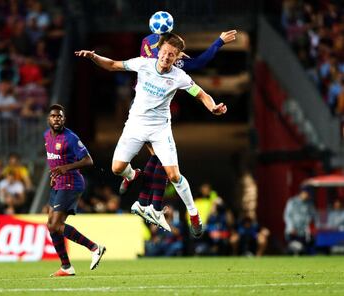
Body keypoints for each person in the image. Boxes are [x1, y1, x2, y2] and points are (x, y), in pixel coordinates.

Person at [75, 33, 227, 238]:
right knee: (117, 168)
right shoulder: (143, 64)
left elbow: (201, 94)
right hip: (135, 126)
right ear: (159, 51)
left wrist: (213, 107)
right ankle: (133, 175)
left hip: (160, 130)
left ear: (177, 57)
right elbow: (112, 65)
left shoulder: (179, 77)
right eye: (164, 52)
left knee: (173, 175)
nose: (166, 57)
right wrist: (94, 57)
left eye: (172, 55)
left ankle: (193, 214)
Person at [120, 18, 237, 230]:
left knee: (162, 162)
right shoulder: (169, 55)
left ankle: (145, 199)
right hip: (143, 112)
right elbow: (199, 63)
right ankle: (143, 194)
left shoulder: (149, 43)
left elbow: (197, 87)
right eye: (167, 52)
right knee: (157, 160)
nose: (167, 56)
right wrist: (218, 42)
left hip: (153, 113)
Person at [45, 104, 106, 277]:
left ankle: (95, 248)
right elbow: (54, 159)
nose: (57, 119)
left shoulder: (70, 137)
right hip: (58, 183)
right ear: (48, 118)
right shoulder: (46, 136)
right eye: (53, 116)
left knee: (55, 224)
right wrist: (55, 174)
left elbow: (88, 160)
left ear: (64, 119)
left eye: (60, 116)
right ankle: (66, 267)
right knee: (51, 226)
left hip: (71, 182)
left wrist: (66, 168)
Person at [283, 187, 316, 255]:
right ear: (301, 193)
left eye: (308, 194)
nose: (307, 196)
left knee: (303, 250)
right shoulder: (292, 202)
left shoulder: (309, 204)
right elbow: (287, 215)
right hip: (293, 231)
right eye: (306, 194)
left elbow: (313, 215)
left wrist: (310, 227)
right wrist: (291, 227)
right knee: (293, 248)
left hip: (304, 231)